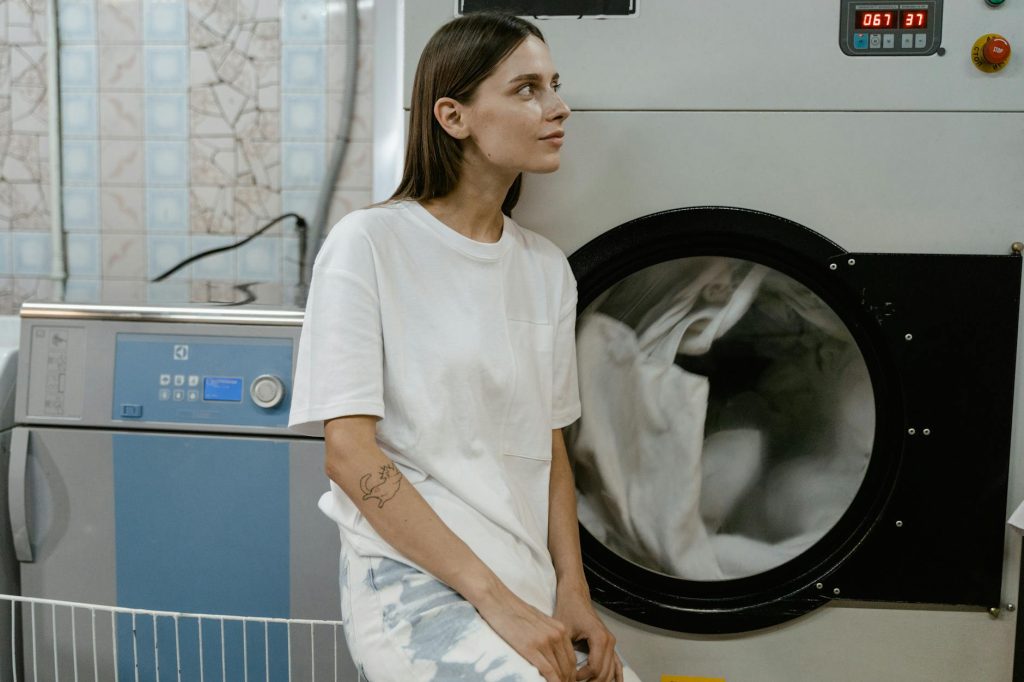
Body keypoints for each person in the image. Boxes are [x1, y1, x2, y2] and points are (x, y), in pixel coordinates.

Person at [289, 12, 639, 682]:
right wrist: (495, 601)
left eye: (554, 86)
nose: (559, 108)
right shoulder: (369, 246)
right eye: (527, 89)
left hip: (527, 588)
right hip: (416, 588)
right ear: (453, 116)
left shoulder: (545, 269)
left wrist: (574, 593)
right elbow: (347, 452)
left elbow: (551, 450)